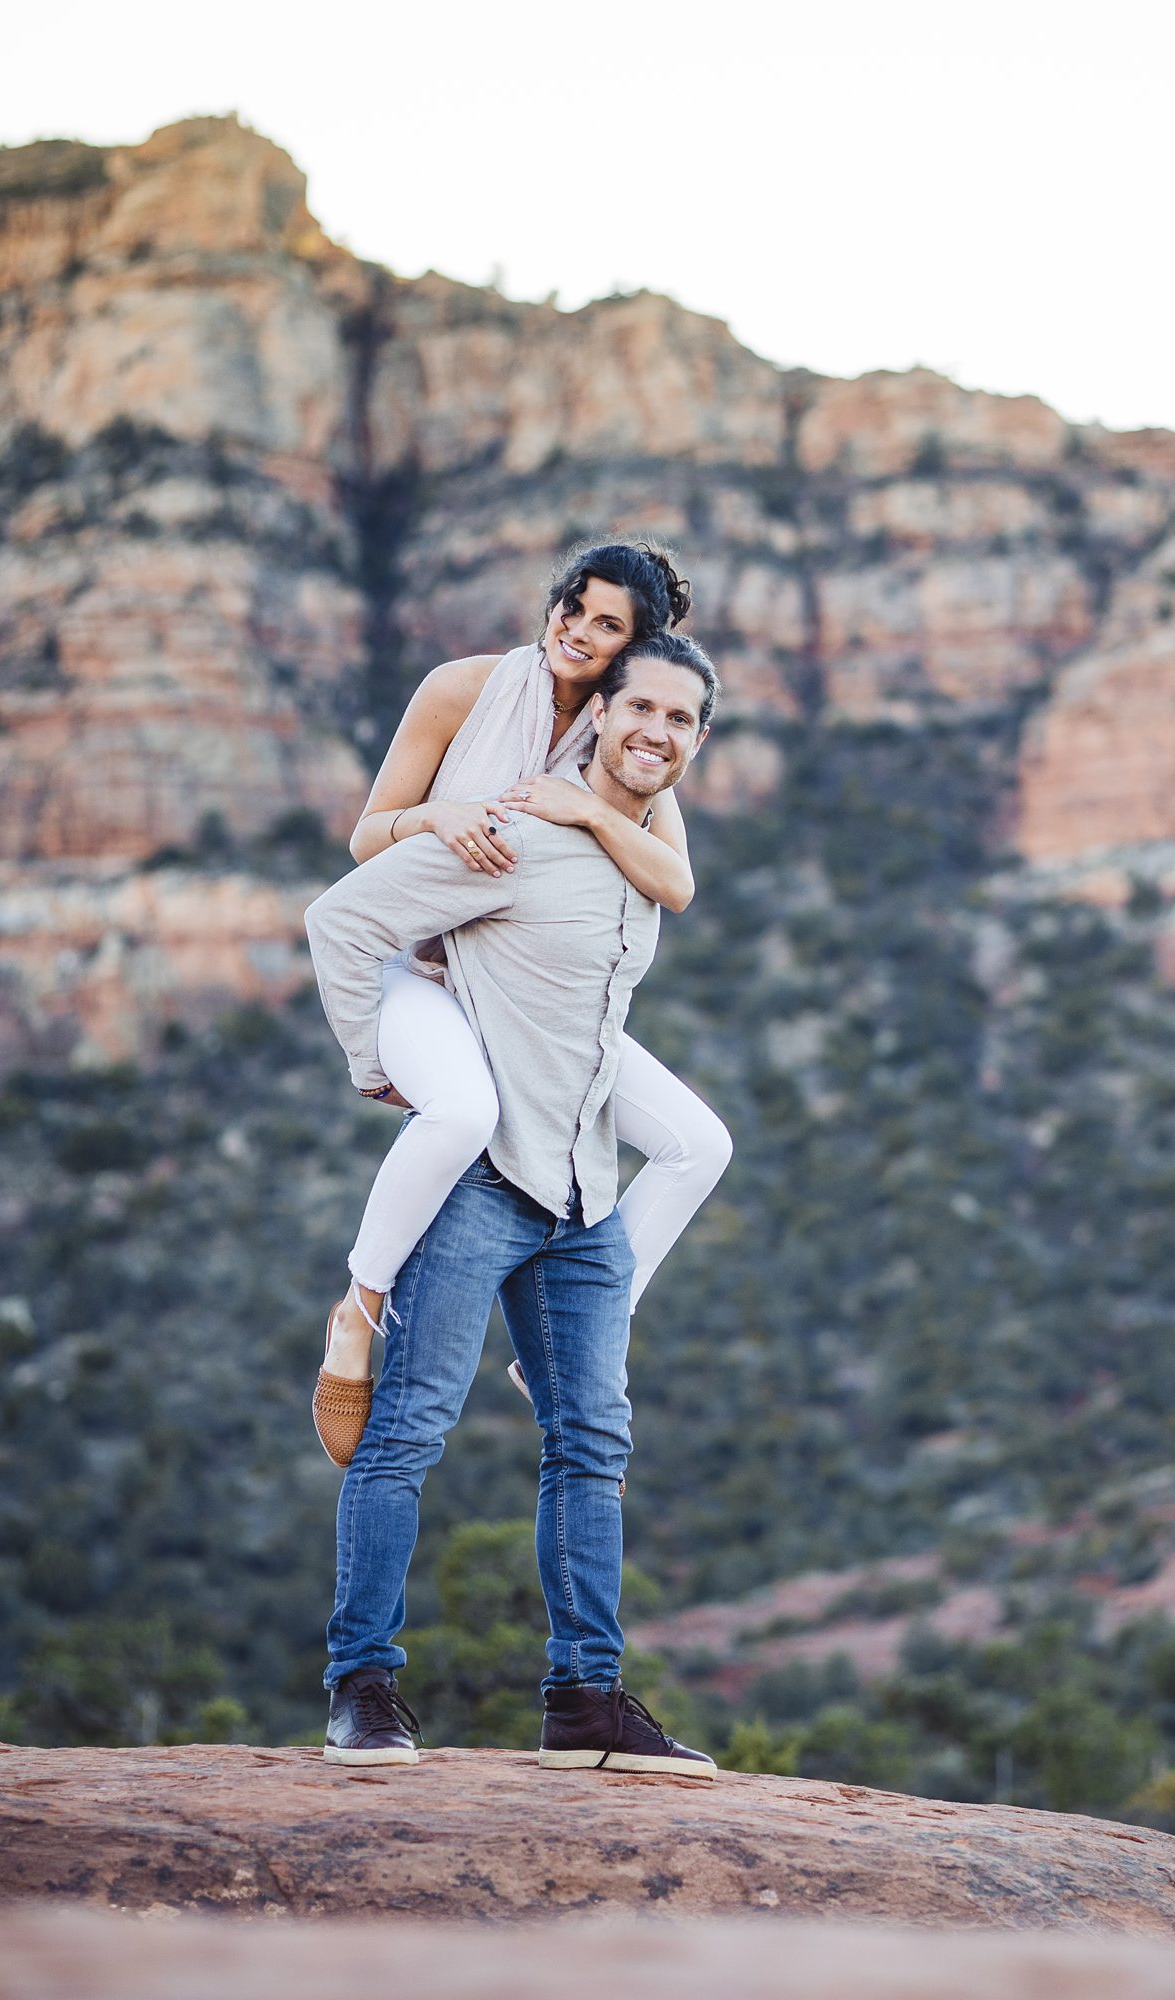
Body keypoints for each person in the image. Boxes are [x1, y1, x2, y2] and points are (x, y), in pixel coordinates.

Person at [299, 632, 722, 1777]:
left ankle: (585, 1698)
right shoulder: (512, 835)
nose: (659, 731)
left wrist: (606, 821)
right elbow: (339, 920)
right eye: (642, 708)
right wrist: (373, 1063)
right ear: (603, 714)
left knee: (592, 1444)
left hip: (585, 1197)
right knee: (407, 1433)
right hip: (485, 1184)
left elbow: (671, 887)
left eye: (683, 719)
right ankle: (363, 1686)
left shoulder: (641, 851)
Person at [311, 543, 733, 1467]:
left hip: (526, 1000)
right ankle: (358, 1311)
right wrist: (436, 818)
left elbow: (677, 884)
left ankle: (582, 1333)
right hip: (423, 976)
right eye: (571, 608)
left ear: (637, 653)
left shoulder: (629, 739)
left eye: (607, 625)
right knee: (464, 1112)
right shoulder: (462, 690)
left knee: (700, 1144)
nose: (576, 632)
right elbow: (363, 840)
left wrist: (587, 812)